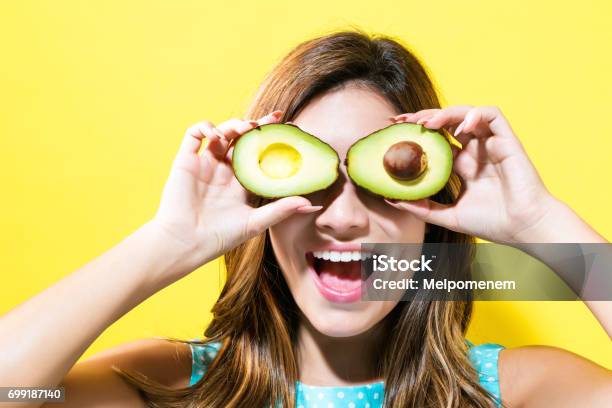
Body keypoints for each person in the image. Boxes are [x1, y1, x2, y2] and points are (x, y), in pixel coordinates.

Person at [0, 31, 610, 408]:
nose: (343, 219)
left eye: (383, 185)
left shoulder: (517, 391)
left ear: (435, 216)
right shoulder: (172, 386)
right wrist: (166, 242)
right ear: (261, 207)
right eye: (314, 184)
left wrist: (538, 220)